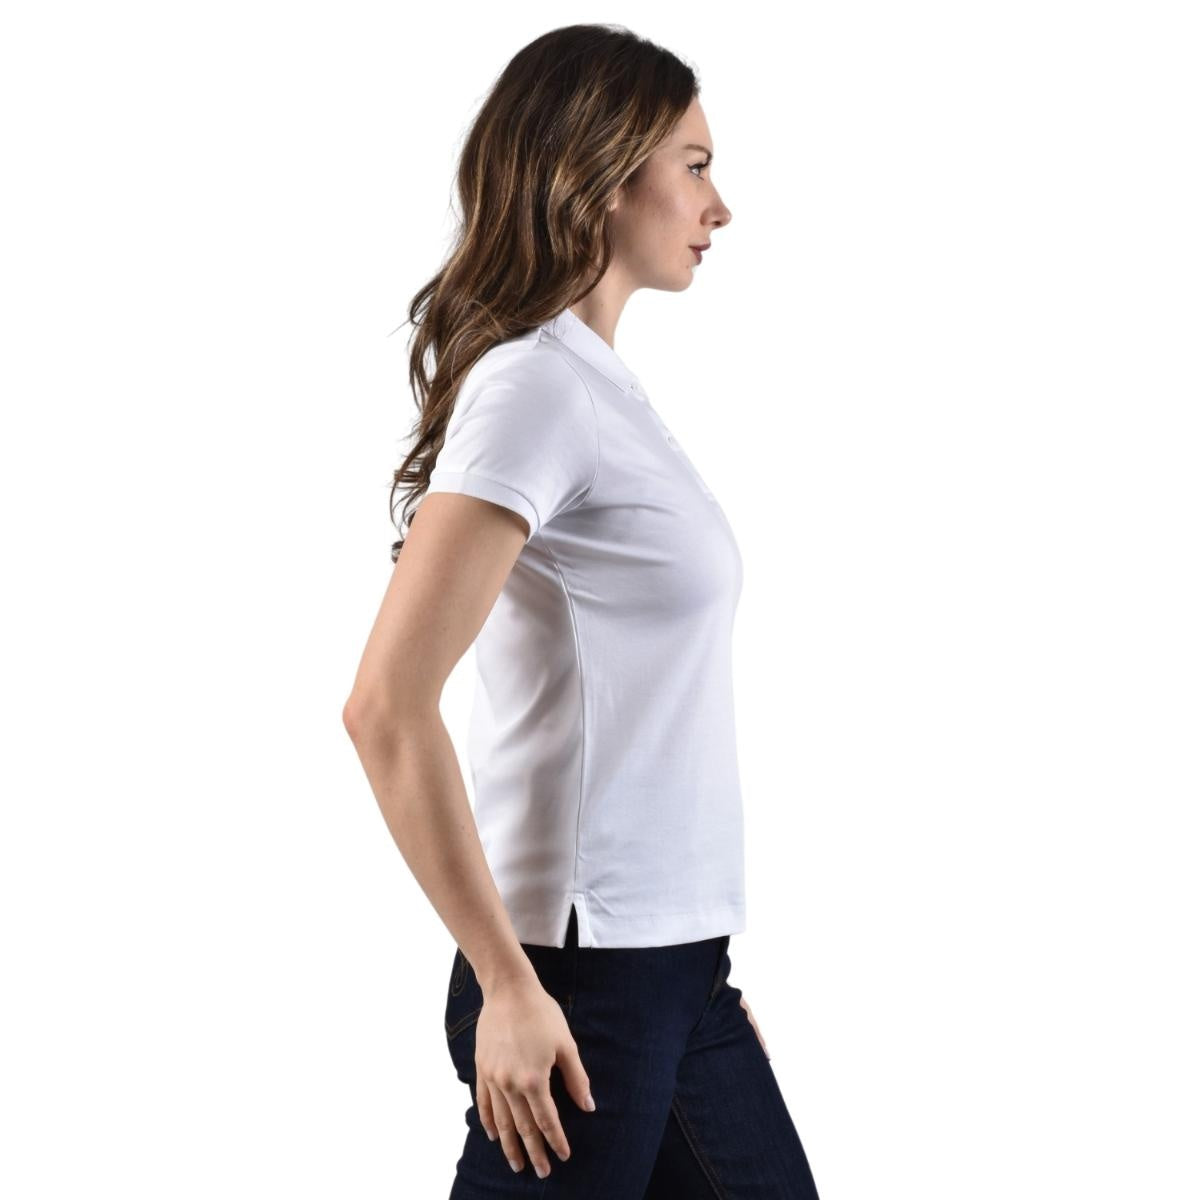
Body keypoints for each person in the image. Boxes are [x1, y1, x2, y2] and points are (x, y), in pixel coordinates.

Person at [343, 23, 821, 1198]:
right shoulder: (535, 388)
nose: (718, 206)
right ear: (603, 176)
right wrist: (508, 984)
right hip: (579, 977)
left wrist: (693, 977)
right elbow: (386, 706)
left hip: (673, 969)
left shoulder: (597, 386)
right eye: (694, 167)